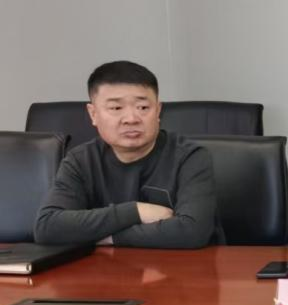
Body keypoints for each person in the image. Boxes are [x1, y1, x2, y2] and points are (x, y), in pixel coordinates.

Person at [34, 60, 218, 248]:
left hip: (180, 265)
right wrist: (135, 211)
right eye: (116, 108)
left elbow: (192, 231)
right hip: (107, 265)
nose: (131, 119)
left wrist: (108, 237)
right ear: (93, 114)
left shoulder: (190, 157)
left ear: (158, 111)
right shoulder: (81, 160)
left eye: (143, 107)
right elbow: (47, 227)